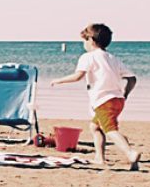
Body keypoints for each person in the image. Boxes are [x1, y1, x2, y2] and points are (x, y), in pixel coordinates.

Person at [50, 23, 140, 170]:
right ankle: (100, 158)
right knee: (95, 127)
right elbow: (132, 79)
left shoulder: (88, 57)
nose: (83, 44)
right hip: (118, 100)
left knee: (111, 130)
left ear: (91, 40)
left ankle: (130, 153)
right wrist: (125, 93)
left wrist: (59, 80)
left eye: (84, 40)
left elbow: (78, 76)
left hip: (103, 101)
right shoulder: (113, 58)